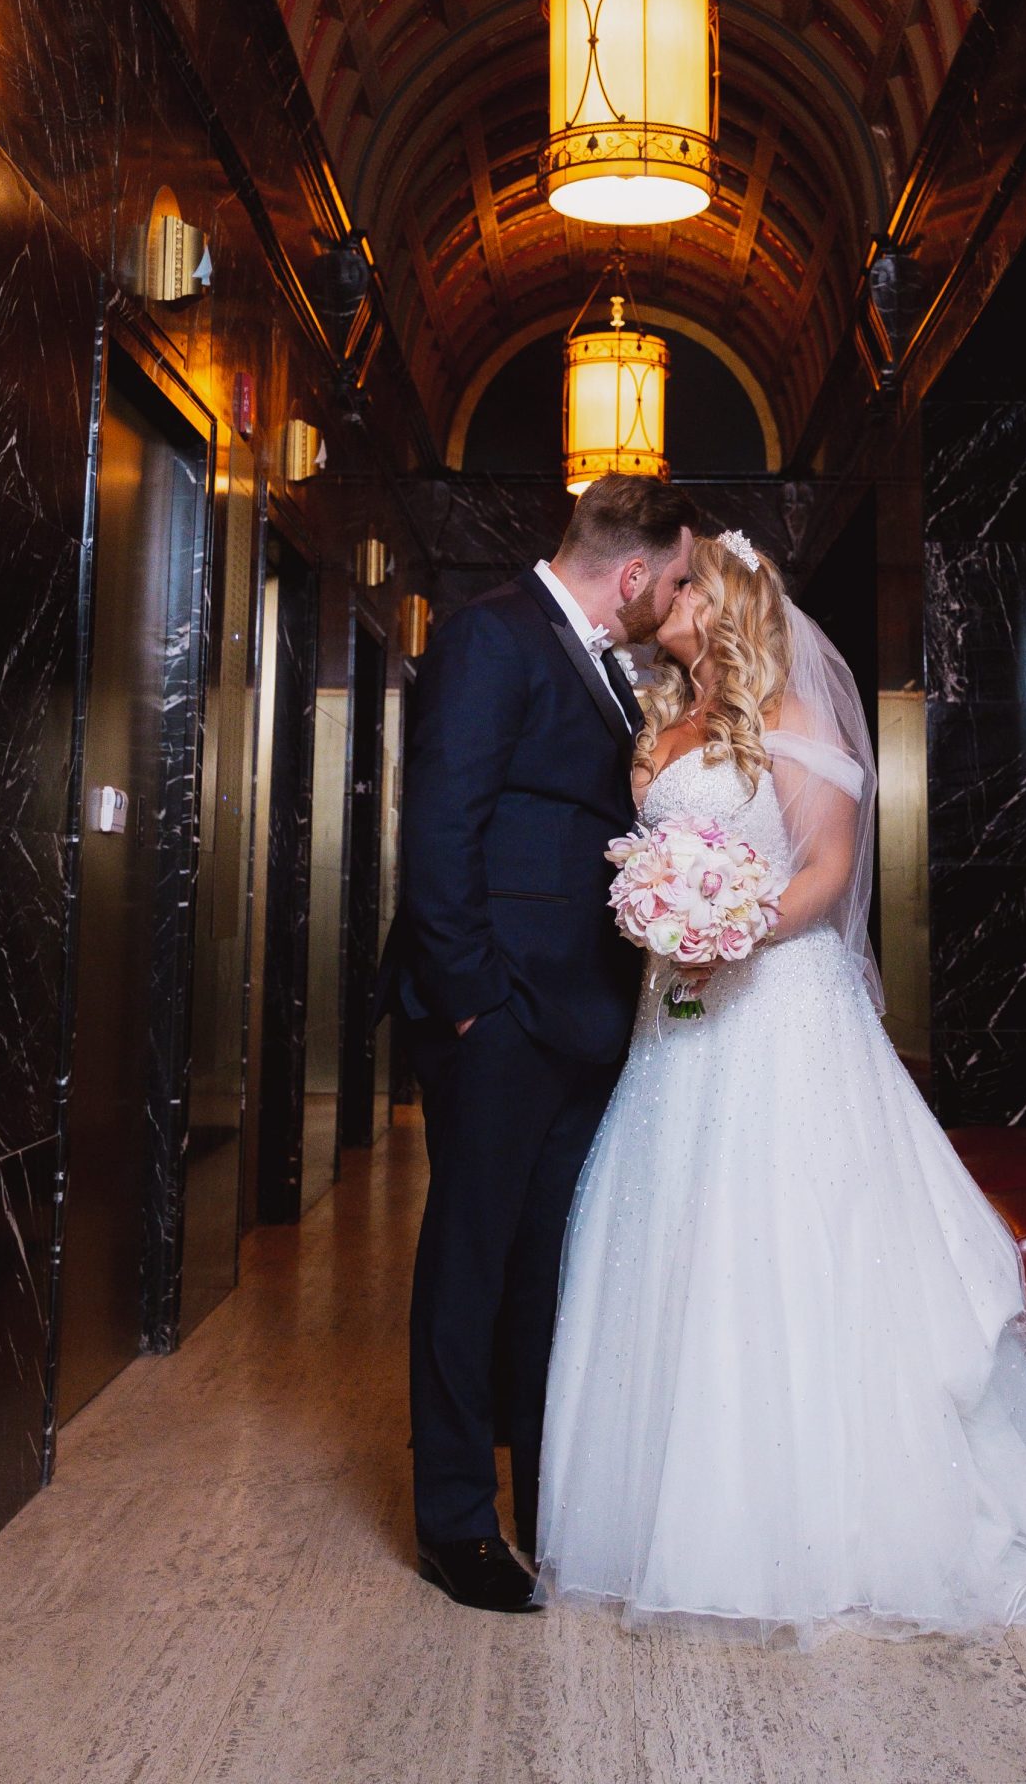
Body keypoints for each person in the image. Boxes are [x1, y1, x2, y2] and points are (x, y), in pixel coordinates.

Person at [537, 531, 1026, 1643]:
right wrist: (668, 920)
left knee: (794, 1241)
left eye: (686, 584)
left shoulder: (793, 716)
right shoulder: (660, 726)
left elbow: (828, 870)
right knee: (680, 1241)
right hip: (676, 1021)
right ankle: (675, 1516)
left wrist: (731, 929)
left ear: (727, 600)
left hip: (779, 1002)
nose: (666, 596)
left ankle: (828, 1519)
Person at [375, 475, 695, 1615]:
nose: (677, 598)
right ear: (632, 574)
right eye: (676, 579)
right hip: (503, 1015)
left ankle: (539, 1494)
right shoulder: (490, 635)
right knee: (470, 1261)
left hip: (581, 1018)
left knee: (542, 1264)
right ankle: (456, 1520)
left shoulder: (609, 667)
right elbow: (441, 827)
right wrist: (472, 1005)